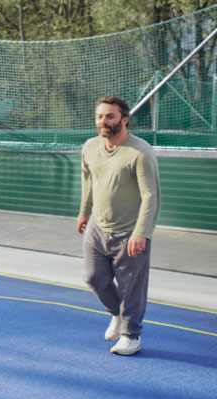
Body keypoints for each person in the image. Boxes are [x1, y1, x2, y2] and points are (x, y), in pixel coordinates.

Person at [79, 96, 160, 356]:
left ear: (124, 120)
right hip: (97, 228)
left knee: (130, 287)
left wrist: (142, 232)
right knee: (93, 278)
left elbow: (151, 196)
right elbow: (88, 182)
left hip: (129, 232)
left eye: (110, 116)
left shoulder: (140, 152)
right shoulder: (90, 147)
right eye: (100, 116)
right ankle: (116, 314)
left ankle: (130, 335)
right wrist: (84, 213)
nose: (104, 121)